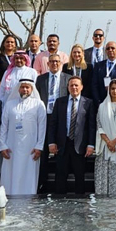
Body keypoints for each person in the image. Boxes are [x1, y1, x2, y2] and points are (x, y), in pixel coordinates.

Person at [49, 75, 96, 195]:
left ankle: (79, 206)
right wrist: (52, 142)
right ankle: (60, 204)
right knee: (60, 176)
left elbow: (91, 126)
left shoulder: (88, 103)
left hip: (80, 146)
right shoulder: (60, 102)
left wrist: (91, 144)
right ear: (68, 87)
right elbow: (53, 123)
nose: (74, 87)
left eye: (76, 85)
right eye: (71, 85)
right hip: (62, 144)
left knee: (79, 177)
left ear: (81, 87)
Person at [0, 77, 46, 196]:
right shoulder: (10, 104)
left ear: (31, 89)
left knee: (28, 174)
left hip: (31, 147)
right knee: (10, 174)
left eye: (27, 87)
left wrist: (39, 146)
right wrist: (2, 145)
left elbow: (42, 127)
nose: (25, 89)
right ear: (18, 89)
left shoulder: (39, 104)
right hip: (11, 147)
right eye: (22, 87)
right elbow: (4, 126)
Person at [37, 53, 68, 192]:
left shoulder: (67, 79)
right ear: (47, 64)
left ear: (61, 63)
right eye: (52, 62)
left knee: (61, 153)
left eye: (57, 61)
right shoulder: (40, 79)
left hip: (62, 119)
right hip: (45, 117)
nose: (54, 64)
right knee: (43, 152)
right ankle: (42, 185)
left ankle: (60, 187)